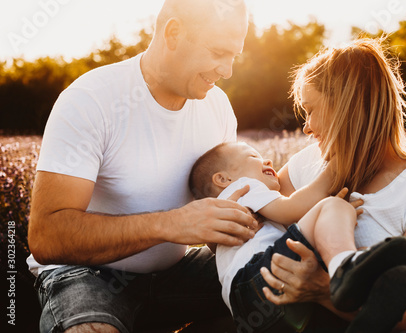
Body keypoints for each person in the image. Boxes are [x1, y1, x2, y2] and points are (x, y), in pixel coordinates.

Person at [26, 0, 256, 332]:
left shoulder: (218, 107)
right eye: (218, 52)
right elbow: (47, 237)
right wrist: (170, 224)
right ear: (173, 33)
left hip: (176, 274)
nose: (227, 70)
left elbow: (227, 211)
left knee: (276, 283)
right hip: (85, 275)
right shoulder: (91, 99)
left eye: (234, 56)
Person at [259, 38, 406, 333]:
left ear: (349, 107)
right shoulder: (308, 163)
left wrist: (321, 288)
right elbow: (257, 221)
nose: (306, 127)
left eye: (312, 109)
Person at [188, 141, 406, 333]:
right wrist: (337, 166)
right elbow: (291, 208)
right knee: (331, 205)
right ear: (223, 179)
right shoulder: (241, 189)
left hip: (255, 310)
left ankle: (364, 320)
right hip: (258, 278)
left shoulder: (240, 205)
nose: (267, 161)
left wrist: (336, 214)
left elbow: (300, 220)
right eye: (253, 156)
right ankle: (344, 270)